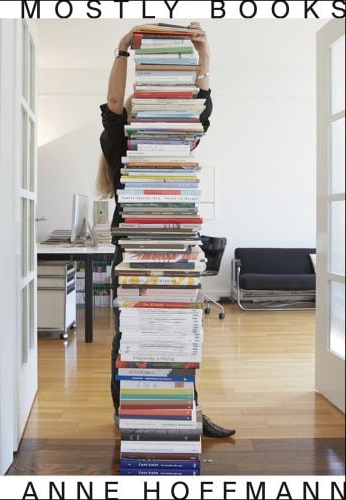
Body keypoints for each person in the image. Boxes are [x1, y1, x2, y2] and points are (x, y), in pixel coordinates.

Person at [97, 22, 235, 438]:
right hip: (136, 249)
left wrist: (203, 55)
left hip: (177, 247)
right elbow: (113, 101)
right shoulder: (119, 143)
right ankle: (130, 414)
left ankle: (187, 409)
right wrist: (123, 51)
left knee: (178, 336)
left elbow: (201, 107)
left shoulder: (181, 141)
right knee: (133, 333)